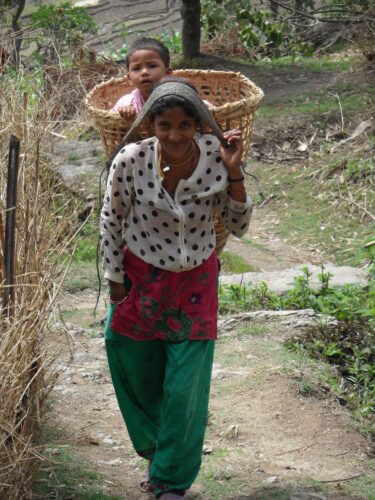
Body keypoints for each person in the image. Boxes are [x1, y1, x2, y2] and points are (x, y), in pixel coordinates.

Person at [100, 79, 252, 499]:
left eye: (185, 125)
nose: (175, 135)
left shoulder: (216, 161)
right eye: (165, 125)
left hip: (195, 283)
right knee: (131, 362)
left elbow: (239, 227)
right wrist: (114, 280)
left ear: (199, 125)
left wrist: (235, 171)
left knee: (186, 383)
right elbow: (111, 221)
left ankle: (170, 480)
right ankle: (158, 449)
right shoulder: (131, 160)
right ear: (151, 124)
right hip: (139, 277)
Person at [111, 37, 172, 119]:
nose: (144, 72)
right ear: (129, 79)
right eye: (136, 68)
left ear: (168, 73)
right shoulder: (127, 102)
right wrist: (123, 113)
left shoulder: (177, 98)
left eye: (152, 66)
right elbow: (110, 123)